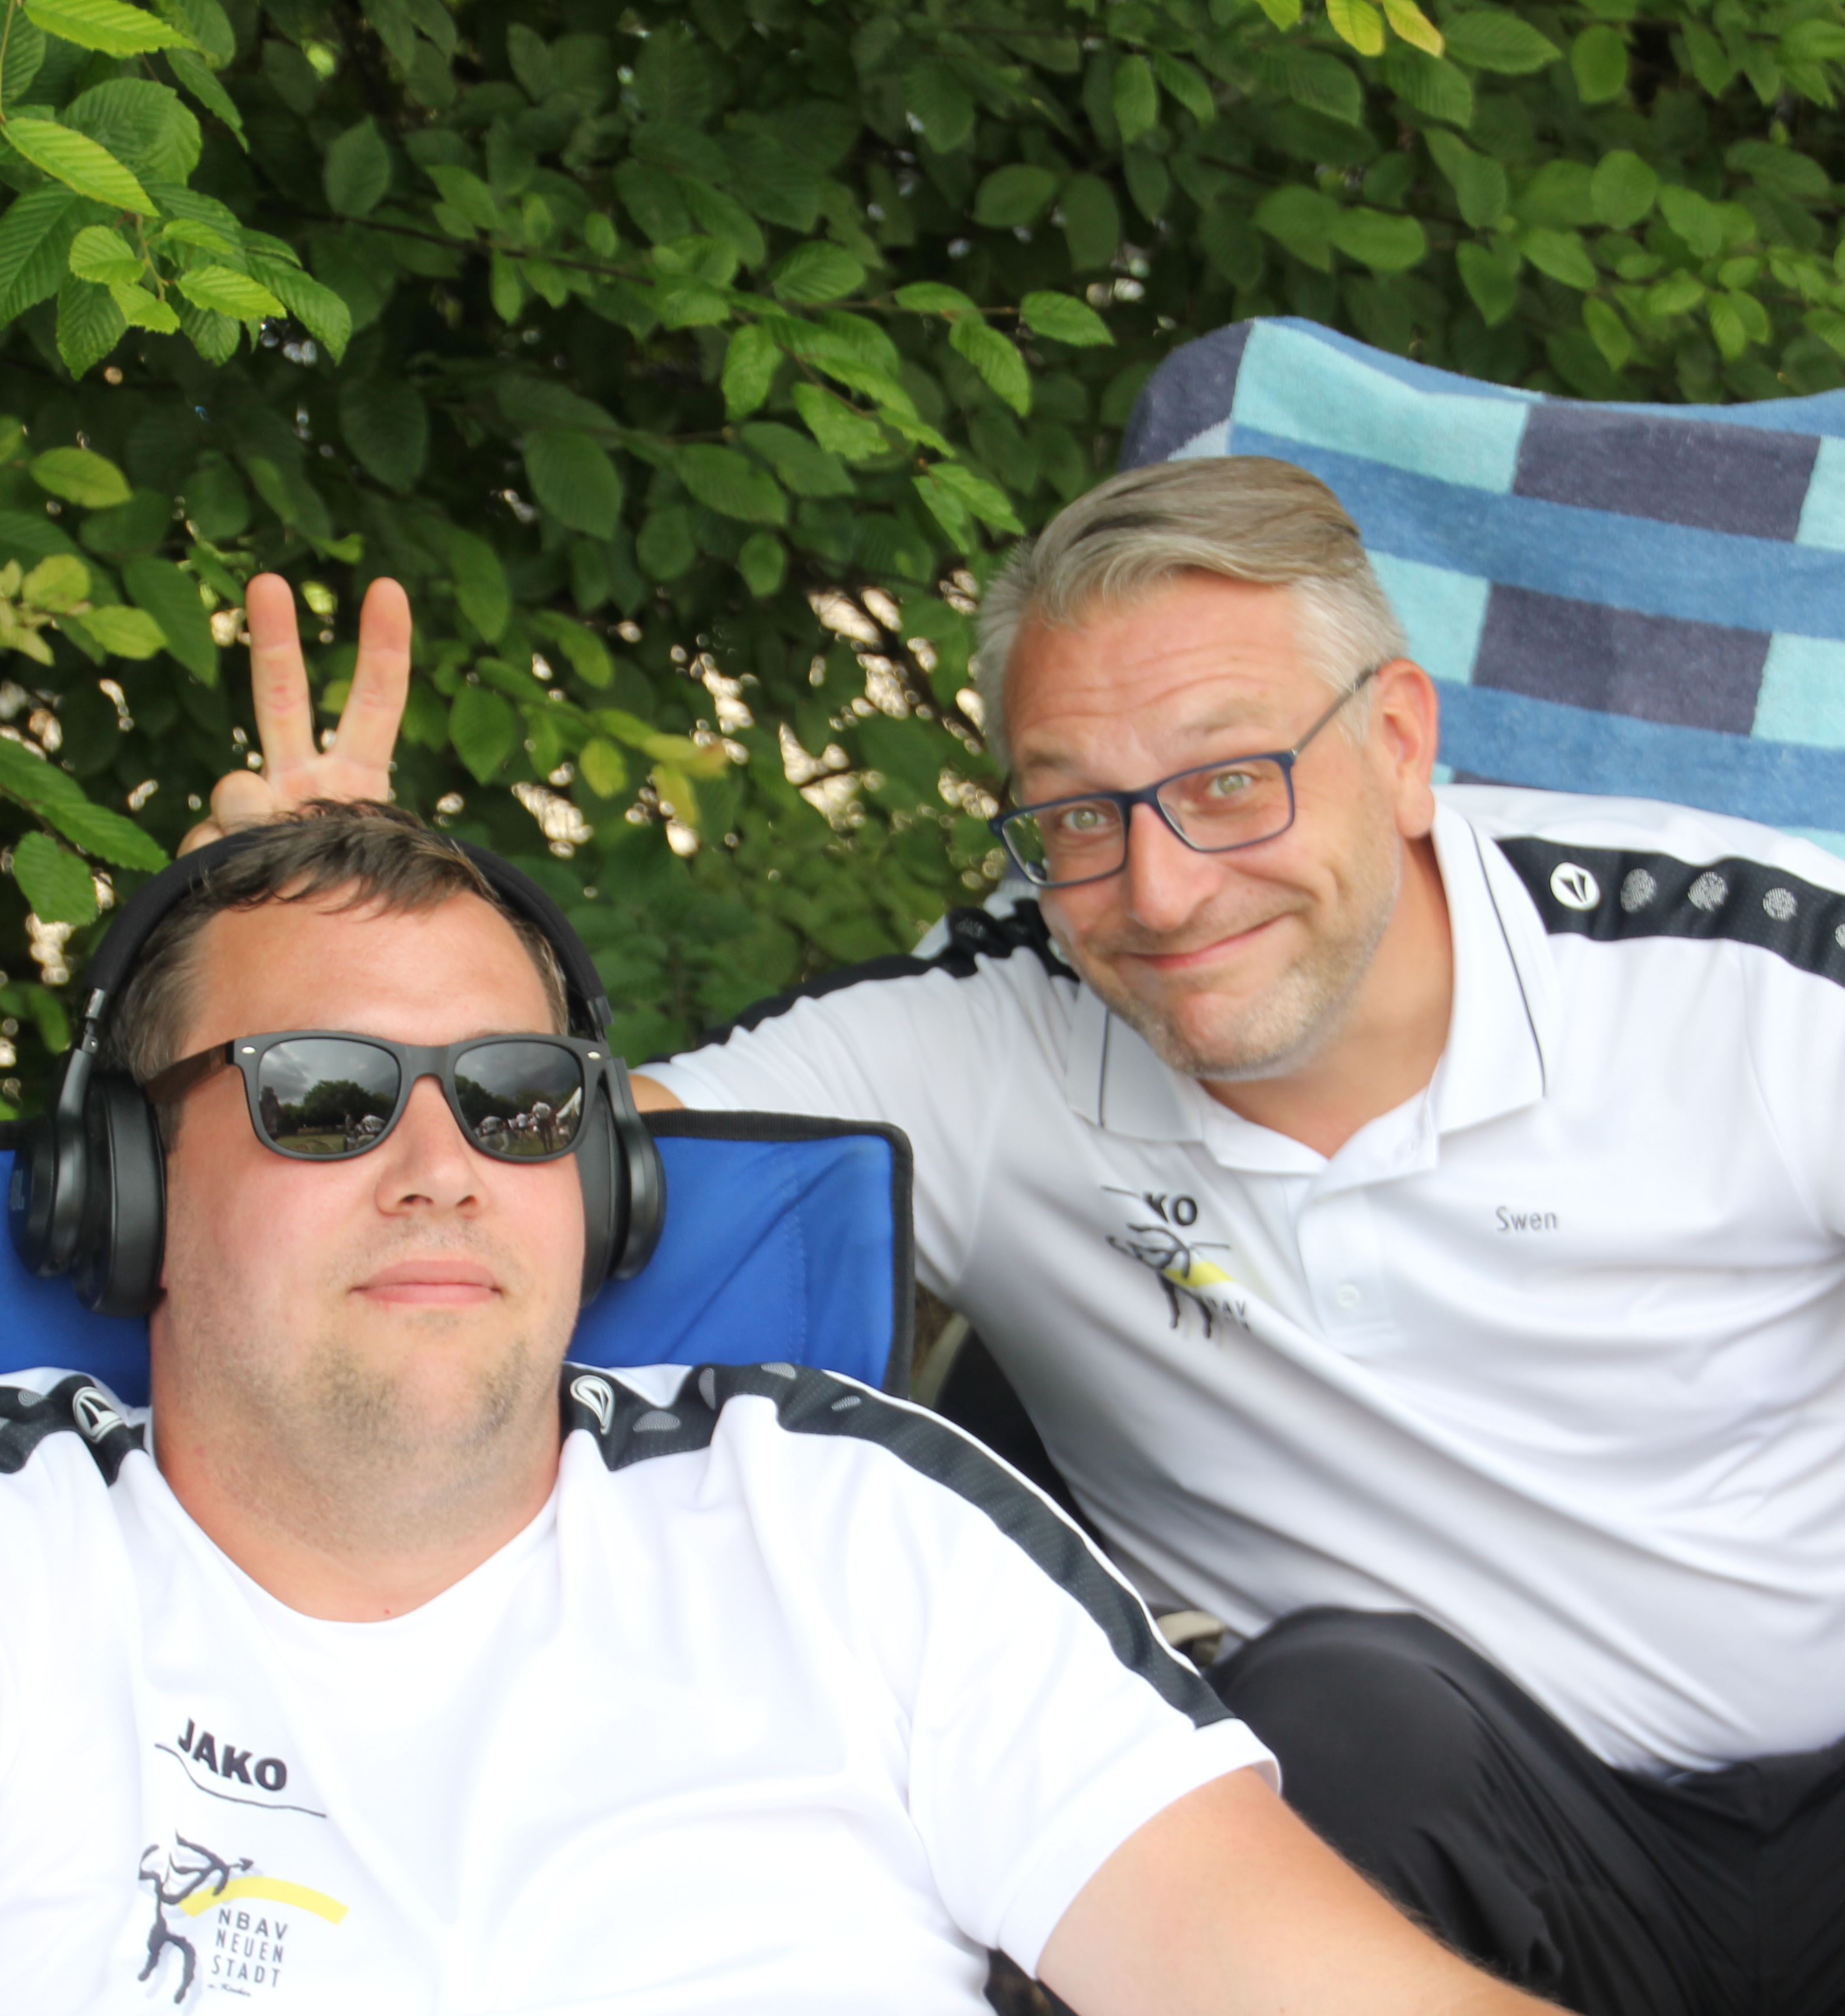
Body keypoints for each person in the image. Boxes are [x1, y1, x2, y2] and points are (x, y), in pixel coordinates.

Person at [185, 459, 1845, 2016]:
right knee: (1331, 1724)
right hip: (1413, 1846)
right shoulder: (982, 1034)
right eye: (1077, 817)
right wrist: (311, 964)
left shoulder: (1756, 978)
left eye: (1231, 783)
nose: (1162, 891)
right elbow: (496, 1171)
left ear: (1400, 742)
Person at [0, 804, 1553, 2015]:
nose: (440, 1168)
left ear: (598, 1178)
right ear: (126, 1190)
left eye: (518, 1101)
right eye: (325, 1096)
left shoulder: (852, 1518)